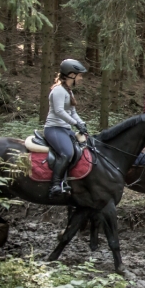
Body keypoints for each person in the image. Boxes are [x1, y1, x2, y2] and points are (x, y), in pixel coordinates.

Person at [44, 59, 89, 197]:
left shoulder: (68, 91)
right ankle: (55, 185)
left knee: (81, 150)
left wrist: (82, 123)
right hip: (54, 129)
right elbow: (59, 111)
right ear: (71, 74)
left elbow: (73, 112)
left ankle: (69, 181)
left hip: (65, 129)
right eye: (79, 75)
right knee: (66, 153)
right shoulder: (58, 90)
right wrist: (75, 124)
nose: (81, 78)